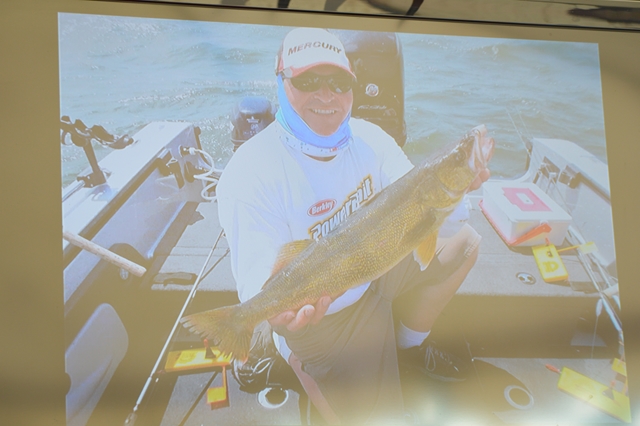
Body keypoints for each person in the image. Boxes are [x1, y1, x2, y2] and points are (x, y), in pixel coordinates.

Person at [217, 27, 493, 424]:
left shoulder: (370, 137)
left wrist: (461, 180)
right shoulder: (249, 171)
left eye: (339, 82)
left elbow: (436, 213)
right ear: (281, 82)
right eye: (308, 81)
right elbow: (260, 276)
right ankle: (286, 352)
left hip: (373, 266)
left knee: (465, 244)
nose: (326, 95)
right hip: (322, 313)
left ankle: (409, 346)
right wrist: (275, 315)